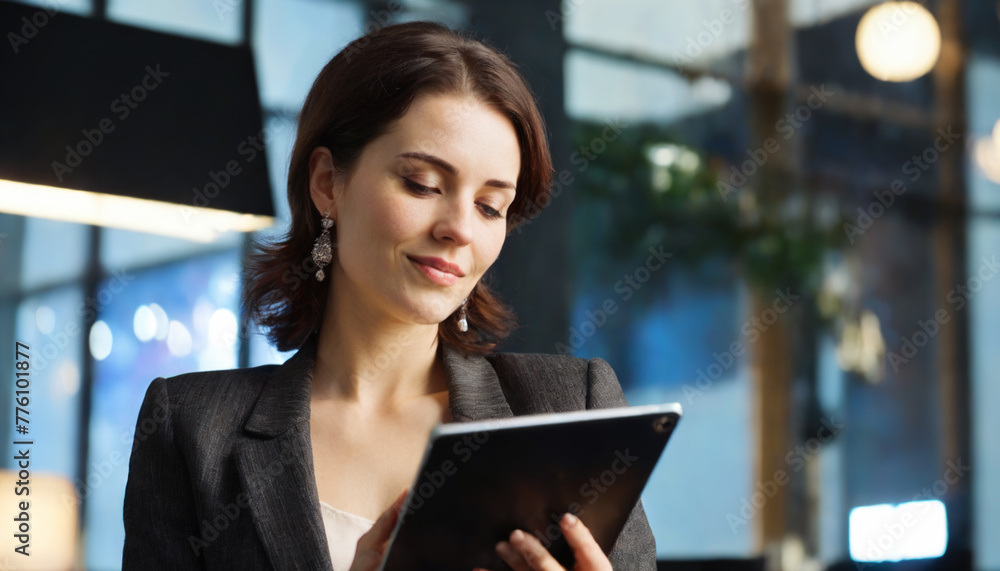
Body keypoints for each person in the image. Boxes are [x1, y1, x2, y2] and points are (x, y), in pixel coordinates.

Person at [122, 20, 657, 571]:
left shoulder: (570, 407)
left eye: (491, 206)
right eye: (423, 184)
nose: (460, 229)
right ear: (328, 182)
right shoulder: (192, 428)